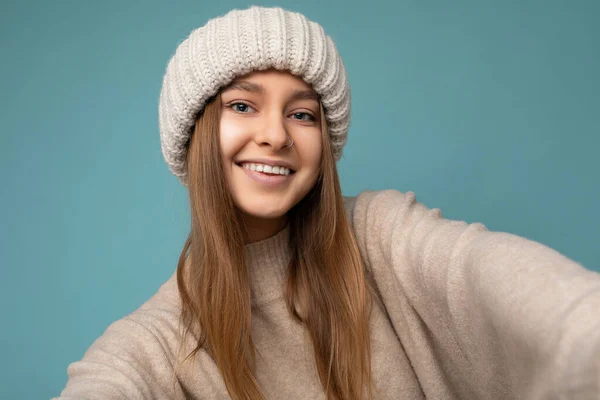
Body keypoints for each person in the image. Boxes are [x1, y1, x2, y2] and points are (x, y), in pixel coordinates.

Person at [54, 6, 600, 400]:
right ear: (193, 135)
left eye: (302, 113)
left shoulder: (382, 235)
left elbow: (496, 279)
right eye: (242, 104)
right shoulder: (158, 342)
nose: (275, 135)